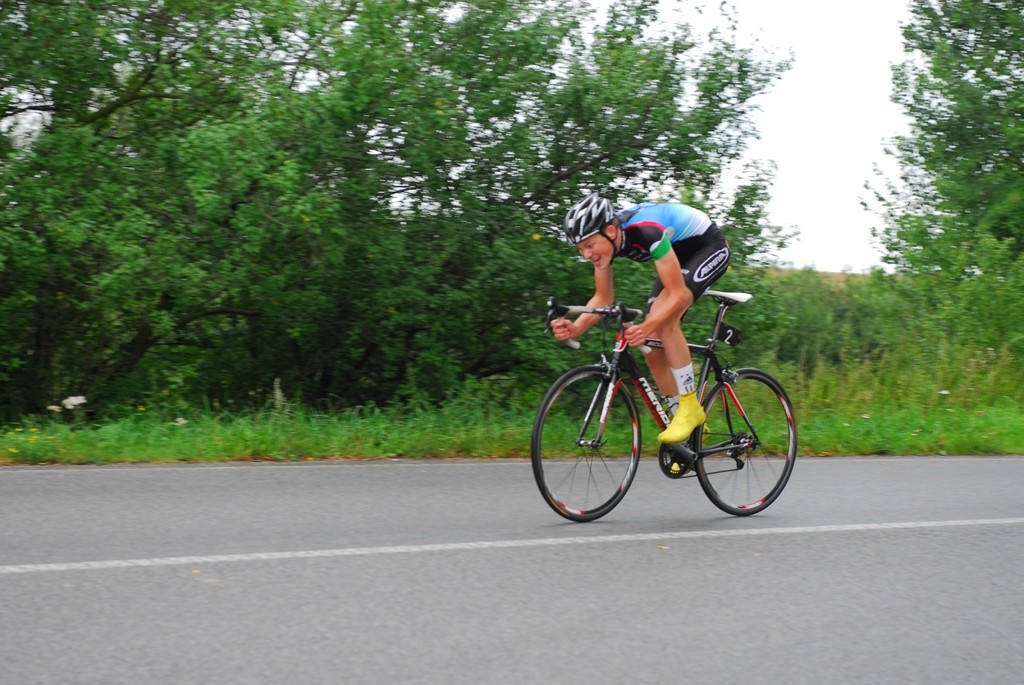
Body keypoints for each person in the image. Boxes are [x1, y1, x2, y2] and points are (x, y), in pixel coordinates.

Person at [551, 193, 731, 453]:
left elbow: (679, 296)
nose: (587, 254)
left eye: (589, 245)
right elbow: (603, 298)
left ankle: (690, 405)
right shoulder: (604, 247)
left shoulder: (646, 232)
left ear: (610, 231)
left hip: (708, 246)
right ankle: (683, 421)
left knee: (663, 323)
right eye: (580, 249)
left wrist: (647, 325)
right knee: (651, 345)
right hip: (676, 252)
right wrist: (576, 327)